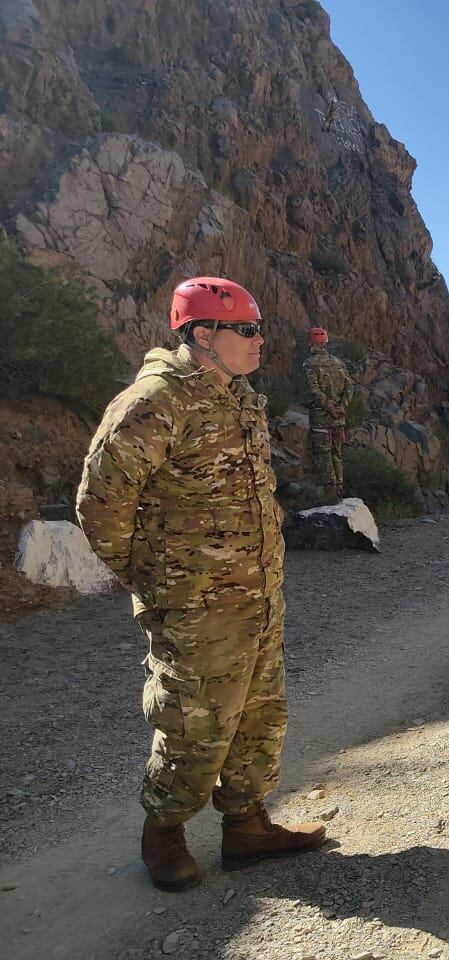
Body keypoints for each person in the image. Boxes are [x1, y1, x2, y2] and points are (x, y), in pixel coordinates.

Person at [76, 277, 325, 893]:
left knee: (260, 715)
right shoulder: (156, 400)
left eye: (259, 328)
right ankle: (163, 834)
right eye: (246, 329)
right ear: (202, 334)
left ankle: (247, 826)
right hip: (194, 606)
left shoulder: (239, 398)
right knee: (194, 721)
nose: (259, 340)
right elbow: (100, 503)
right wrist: (153, 579)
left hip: (257, 596)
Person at [302, 326, 354, 505]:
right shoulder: (339, 363)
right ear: (325, 343)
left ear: (311, 343)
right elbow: (350, 387)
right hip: (339, 419)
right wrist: (341, 406)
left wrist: (329, 407)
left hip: (321, 419)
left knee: (323, 455)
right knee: (336, 454)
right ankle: (339, 491)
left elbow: (314, 391)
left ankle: (330, 495)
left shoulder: (310, 364)